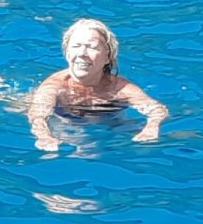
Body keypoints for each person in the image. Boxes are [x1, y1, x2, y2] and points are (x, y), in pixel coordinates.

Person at [26, 19, 168, 151]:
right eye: (76, 46)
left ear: (107, 56)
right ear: (67, 51)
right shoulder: (55, 85)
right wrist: (44, 136)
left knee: (154, 140)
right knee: (86, 147)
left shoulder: (119, 87)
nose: (82, 53)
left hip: (109, 116)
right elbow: (38, 114)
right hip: (66, 117)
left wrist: (151, 127)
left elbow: (156, 109)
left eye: (91, 47)